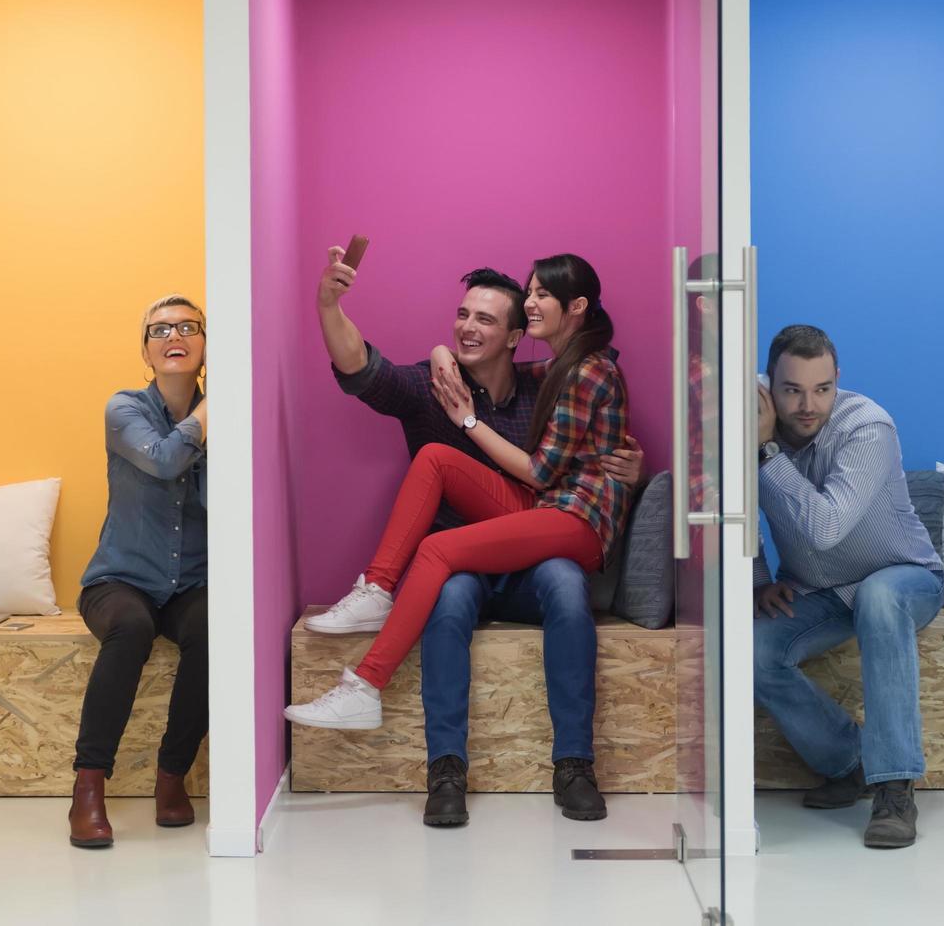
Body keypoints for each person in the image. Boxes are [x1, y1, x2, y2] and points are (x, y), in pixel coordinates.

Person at [286, 253, 634, 824]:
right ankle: (444, 768)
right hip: (485, 557)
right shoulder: (437, 384)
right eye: (462, 316)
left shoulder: (551, 377)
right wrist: (333, 305)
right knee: (436, 480)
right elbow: (360, 367)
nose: (469, 328)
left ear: (516, 337)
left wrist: (469, 419)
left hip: (555, 533)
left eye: (490, 319)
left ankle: (575, 764)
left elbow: (556, 467)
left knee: (553, 584)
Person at [751, 324, 944, 850]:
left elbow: (826, 527)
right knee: (748, 651)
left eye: (822, 389)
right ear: (770, 384)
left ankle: (894, 788)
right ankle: (850, 761)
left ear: (838, 380)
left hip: (904, 576)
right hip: (820, 589)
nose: (808, 405)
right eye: (792, 390)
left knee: (880, 600)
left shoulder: (867, 427)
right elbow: (730, 507)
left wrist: (767, 451)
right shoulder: (746, 414)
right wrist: (757, 581)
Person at [67, 295, 209, 849]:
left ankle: (171, 777)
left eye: (188, 326)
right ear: (146, 352)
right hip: (119, 579)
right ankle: (88, 788)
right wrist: (206, 415)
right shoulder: (124, 409)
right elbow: (164, 458)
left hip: (190, 584)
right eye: (160, 330)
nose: (174, 335)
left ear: (203, 345)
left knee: (213, 629)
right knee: (131, 628)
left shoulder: (227, 417)